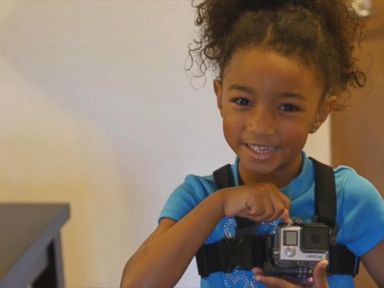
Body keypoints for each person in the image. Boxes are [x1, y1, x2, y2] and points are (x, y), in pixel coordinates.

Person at [120, 0, 384, 287]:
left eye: (288, 107)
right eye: (242, 101)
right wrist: (218, 206)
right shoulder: (199, 197)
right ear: (220, 97)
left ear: (321, 111)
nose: (260, 126)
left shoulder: (348, 198)